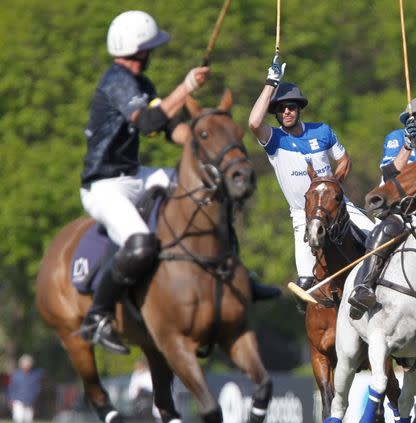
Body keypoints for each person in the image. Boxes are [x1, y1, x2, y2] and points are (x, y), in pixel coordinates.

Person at [78, 11, 281, 356]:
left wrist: (207, 136)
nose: (152, 53)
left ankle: (238, 273)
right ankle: (97, 316)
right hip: (104, 185)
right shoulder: (115, 81)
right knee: (140, 243)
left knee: (206, 190)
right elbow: (147, 123)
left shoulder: (142, 85)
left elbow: (170, 128)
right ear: (138, 50)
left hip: (134, 175)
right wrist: (186, 87)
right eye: (149, 48)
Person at [248, 54, 375, 312]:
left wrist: (333, 183)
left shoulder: (322, 131)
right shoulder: (273, 140)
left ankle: (369, 290)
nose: (287, 111)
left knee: (376, 239)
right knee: (305, 284)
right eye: (282, 108)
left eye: (292, 107)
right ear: (276, 112)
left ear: (299, 109)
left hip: (339, 208)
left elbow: (344, 160)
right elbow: (253, 122)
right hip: (302, 215)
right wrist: (270, 83)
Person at [346, 97, 416, 319]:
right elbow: (390, 174)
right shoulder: (395, 139)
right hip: (398, 209)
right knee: (382, 233)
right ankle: (364, 286)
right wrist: (407, 145)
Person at [7, 354, 43, 423]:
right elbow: (11, 388)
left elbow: (37, 389)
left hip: (29, 402)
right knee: (18, 419)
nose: (27, 366)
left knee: (28, 421)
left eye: (28, 364)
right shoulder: (16, 375)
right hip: (18, 401)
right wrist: (11, 399)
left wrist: (34, 398)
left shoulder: (34, 376)